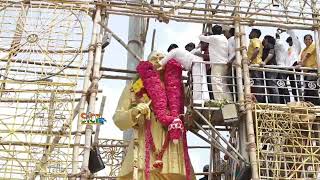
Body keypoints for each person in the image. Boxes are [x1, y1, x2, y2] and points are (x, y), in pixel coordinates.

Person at [113, 51, 196, 180]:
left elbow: (195, 106)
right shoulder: (134, 88)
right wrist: (134, 112)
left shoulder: (179, 87)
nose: (158, 61)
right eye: (154, 58)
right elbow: (118, 119)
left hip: (174, 157)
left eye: (161, 58)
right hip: (144, 153)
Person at [198, 25, 233, 101]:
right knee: (223, 84)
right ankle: (229, 100)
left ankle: (220, 101)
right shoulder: (224, 39)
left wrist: (204, 33)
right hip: (224, 63)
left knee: (216, 82)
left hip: (217, 63)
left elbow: (200, 37)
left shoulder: (214, 38)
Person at [275, 29, 301, 103]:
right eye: (289, 41)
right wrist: (278, 34)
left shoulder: (296, 47)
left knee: (295, 86)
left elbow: (293, 35)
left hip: (294, 68)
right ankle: (287, 101)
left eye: (291, 41)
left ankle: (298, 101)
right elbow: (278, 44)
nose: (290, 42)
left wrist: (287, 30)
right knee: (282, 85)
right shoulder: (287, 50)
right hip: (287, 69)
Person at [299, 34, 319, 105]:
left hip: (312, 70)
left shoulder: (313, 46)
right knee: (307, 88)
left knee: (312, 87)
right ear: (304, 41)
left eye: (309, 39)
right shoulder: (303, 50)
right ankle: (308, 103)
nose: (307, 41)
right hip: (306, 72)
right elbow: (301, 61)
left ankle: (316, 104)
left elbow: (307, 55)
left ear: (312, 40)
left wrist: (301, 63)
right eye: (306, 39)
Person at [261, 35, 280, 103]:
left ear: (267, 41)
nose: (263, 41)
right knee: (268, 85)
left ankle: (276, 102)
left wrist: (264, 62)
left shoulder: (271, 47)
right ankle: (270, 101)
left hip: (271, 67)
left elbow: (270, 54)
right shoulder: (264, 48)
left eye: (264, 40)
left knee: (272, 85)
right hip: (267, 68)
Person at [247, 28, 264, 102]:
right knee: (254, 83)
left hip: (255, 64)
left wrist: (250, 60)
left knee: (256, 83)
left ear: (255, 34)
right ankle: (255, 98)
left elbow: (256, 50)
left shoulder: (255, 40)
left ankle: (258, 99)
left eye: (251, 32)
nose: (249, 34)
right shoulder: (254, 41)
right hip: (254, 64)